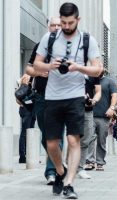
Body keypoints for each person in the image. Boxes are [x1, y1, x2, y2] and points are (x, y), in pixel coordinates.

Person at [34, 3, 103, 198]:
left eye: (69, 22)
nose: (65, 26)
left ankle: (69, 184)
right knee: (52, 144)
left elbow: (98, 69)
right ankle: (61, 171)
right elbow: (36, 65)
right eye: (62, 22)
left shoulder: (88, 40)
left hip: (75, 96)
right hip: (52, 97)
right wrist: (49, 65)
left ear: (77, 20)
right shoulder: (50, 38)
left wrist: (78, 67)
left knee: (73, 140)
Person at [25, 17, 61, 185]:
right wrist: (39, 73)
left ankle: (52, 171)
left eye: (58, 25)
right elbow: (28, 68)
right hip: (41, 96)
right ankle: (59, 162)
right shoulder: (41, 46)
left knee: (56, 135)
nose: (55, 27)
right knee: (46, 136)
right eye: (53, 25)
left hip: (61, 97)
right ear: (48, 27)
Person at [86, 70, 117, 171]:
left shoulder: (109, 81)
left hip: (104, 115)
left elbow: (115, 95)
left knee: (101, 140)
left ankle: (100, 162)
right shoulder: (89, 80)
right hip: (90, 114)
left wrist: (112, 108)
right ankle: (90, 161)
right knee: (89, 138)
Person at [77, 73, 101, 179]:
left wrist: (94, 100)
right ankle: (68, 166)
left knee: (86, 139)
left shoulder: (92, 73)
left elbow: (98, 91)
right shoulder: (71, 67)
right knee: (72, 138)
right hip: (71, 109)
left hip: (87, 110)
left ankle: (80, 168)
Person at [16, 74, 36, 164]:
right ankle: (22, 156)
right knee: (25, 132)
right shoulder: (26, 77)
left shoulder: (35, 79)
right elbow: (18, 98)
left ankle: (30, 156)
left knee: (30, 133)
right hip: (26, 110)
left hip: (32, 110)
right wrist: (27, 103)